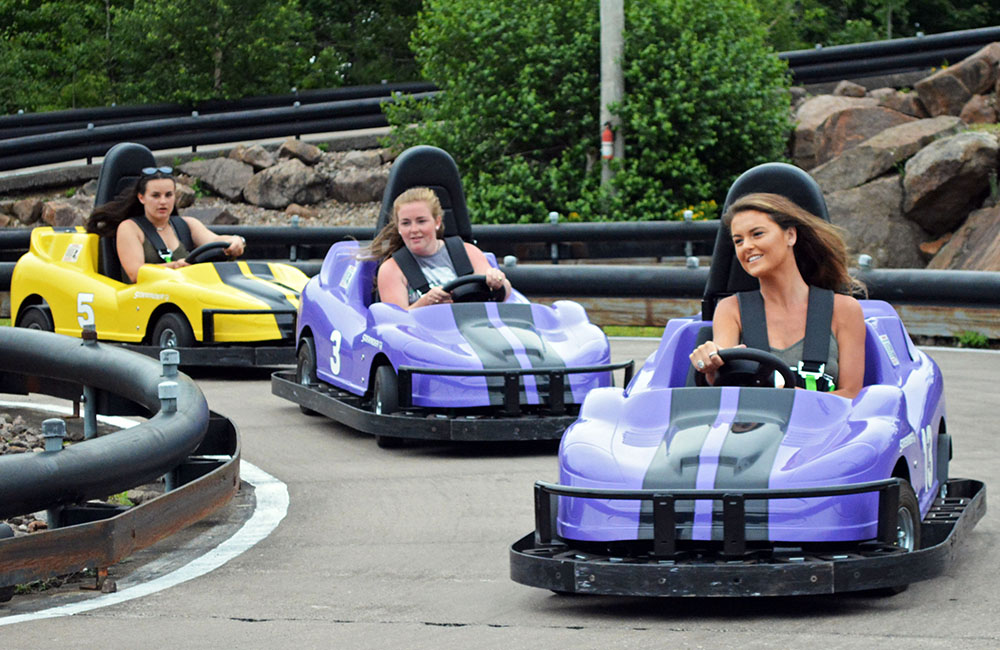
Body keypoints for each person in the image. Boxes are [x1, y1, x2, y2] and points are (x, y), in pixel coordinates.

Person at [689, 192, 867, 399]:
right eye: (738, 241)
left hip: (824, 428)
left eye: (757, 234)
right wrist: (712, 366)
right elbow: (728, 382)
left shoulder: (844, 309)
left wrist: (793, 398)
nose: (746, 246)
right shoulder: (731, 310)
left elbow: (853, 396)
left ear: (790, 235)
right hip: (755, 427)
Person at [86, 167, 246, 283]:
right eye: (155, 196)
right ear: (141, 198)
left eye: (168, 195)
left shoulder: (187, 225)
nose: (163, 201)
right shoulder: (129, 228)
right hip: (143, 301)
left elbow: (215, 240)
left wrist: (235, 240)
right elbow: (135, 273)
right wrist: (175, 266)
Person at [366, 186, 511, 309]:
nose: (414, 229)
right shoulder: (391, 269)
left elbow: (505, 294)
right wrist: (425, 303)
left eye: (421, 221)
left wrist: (498, 281)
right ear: (398, 227)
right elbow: (394, 323)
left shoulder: (468, 252)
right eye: (406, 223)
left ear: (437, 222)